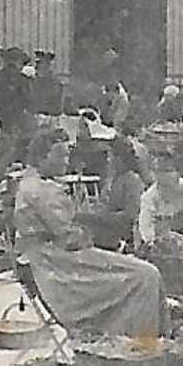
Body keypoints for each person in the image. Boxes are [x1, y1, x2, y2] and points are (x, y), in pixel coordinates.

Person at [14, 129, 163, 338]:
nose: (67, 161)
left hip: (50, 259)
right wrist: (88, 233)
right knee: (146, 275)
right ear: (43, 156)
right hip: (57, 265)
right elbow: (71, 236)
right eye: (62, 155)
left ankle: (125, 335)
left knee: (138, 271)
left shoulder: (31, 183)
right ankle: (140, 340)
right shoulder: (41, 190)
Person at [136, 156, 183, 253]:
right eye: (163, 186)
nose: (167, 190)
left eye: (171, 185)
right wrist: (153, 242)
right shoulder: (149, 196)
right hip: (159, 244)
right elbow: (146, 226)